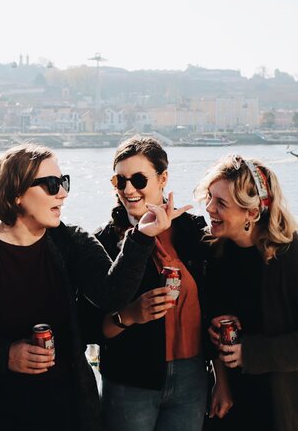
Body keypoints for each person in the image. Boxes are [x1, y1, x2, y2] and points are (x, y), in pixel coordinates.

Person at [0, 142, 189, 431]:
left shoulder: (70, 242)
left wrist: (141, 238)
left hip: (68, 412)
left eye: (64, 182)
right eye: (51, 184)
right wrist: (4, 356)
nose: (63, 194)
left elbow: (111, 295)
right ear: (16, 193)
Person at [198, 154, 298, 431]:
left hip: (284, 407)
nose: (209, 208)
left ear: (251, 213)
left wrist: (251, 353)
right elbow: (211, 315)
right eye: (209, 197)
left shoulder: (292, 255)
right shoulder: (215, 249)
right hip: (233, 403)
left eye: (220, 203)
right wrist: (222, 379)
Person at [82, 136, 209, 431]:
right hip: (130, 381)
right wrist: (130, 315)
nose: (128, 190)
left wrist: (223, 380)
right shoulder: (102, 243)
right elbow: (87, 326)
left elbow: (216, 304)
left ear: (163, 178)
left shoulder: (192, 231)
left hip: (193, 375)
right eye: (120, 181)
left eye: (138, 179)